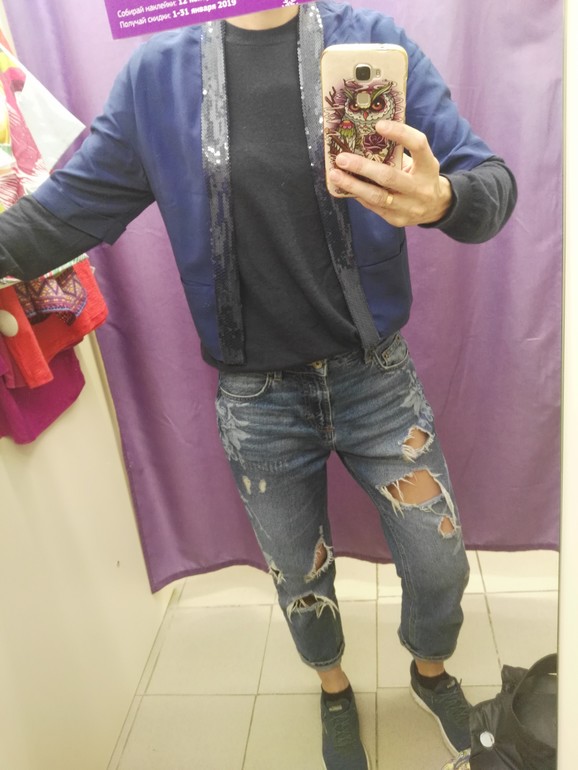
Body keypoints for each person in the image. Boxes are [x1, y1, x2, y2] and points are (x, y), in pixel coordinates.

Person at [0, 3, 517, 768]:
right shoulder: (157, 78)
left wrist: (443, 200)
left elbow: (491, 185)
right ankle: (333, 687)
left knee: (439, 562)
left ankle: (429, 670)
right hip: (258, 402)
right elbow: (59, 217)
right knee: (300, 576)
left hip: (376, 382)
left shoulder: (370, 42)